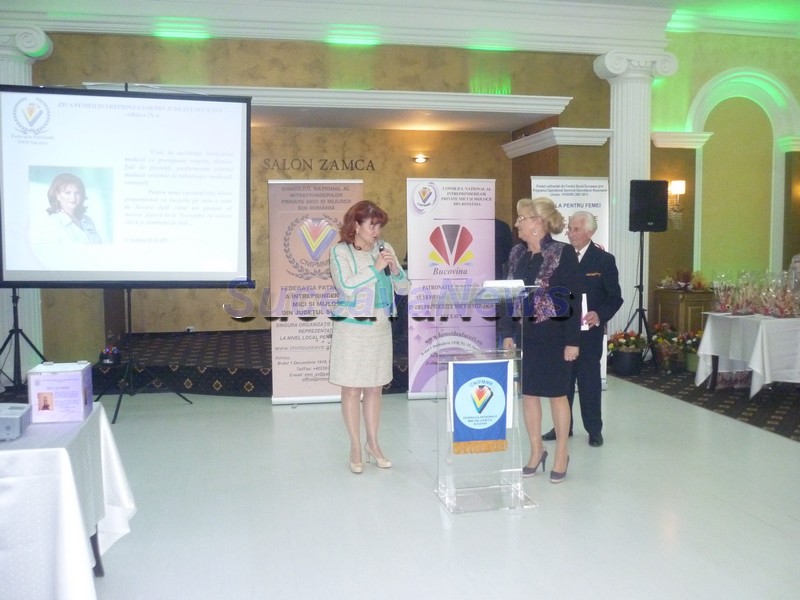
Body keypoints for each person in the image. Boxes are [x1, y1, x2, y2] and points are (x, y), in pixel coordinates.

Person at [499, 197, 581, 483]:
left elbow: (572, 299)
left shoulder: (562, 252)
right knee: (530, 394)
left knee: (558, 395)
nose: (517, 224)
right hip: (527, 335)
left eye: (522, 219)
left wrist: (573, 341)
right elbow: (508, 294)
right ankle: (537, 451)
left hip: (556, 336)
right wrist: (507, 332)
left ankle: (561, 453)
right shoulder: (517, 254)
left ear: (537, 223)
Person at [328, 200, 411, 474]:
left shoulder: (385, 249)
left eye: (379, 226)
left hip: (380, 326)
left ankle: (373, 444)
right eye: (372, 226)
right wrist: (375, 268)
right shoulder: (340, 252)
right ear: (356, 225)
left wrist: (396, 271)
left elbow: (405, 288)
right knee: (352, 388)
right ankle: (355, 445)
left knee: (375, 387)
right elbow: (346, 287)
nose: (377, 232)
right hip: (352, 329)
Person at [543, 211, 623, 447]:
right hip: (562, 331)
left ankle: (594, 429)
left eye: (576, 229)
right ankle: (563, 427)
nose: (570, 233)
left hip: (589, 333)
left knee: (589, 382)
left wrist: (599, 315)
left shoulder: (604, 260)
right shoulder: (559, 257)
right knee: (563, 382)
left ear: (590, 232)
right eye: (569, 229)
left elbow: (615, 297)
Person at [40, 173, 102, 243]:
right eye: (67, 193)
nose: (73, 198)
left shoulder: (87, 221)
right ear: (57, 195)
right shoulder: (52, 222)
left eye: (77, 193)